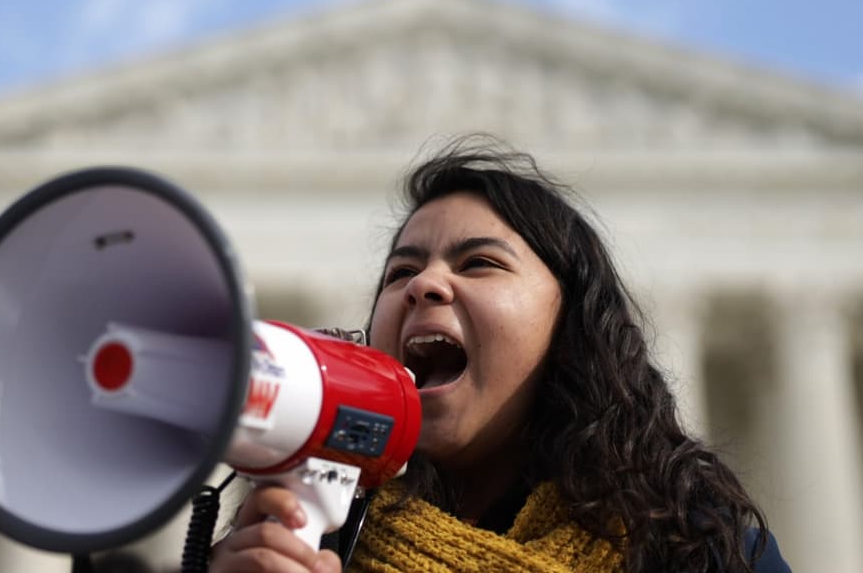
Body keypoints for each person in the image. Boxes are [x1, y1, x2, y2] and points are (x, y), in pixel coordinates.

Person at [210, 135, 789, 572]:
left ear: (572, 328)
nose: (423, 285)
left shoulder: (703, 550)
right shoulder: (302, 541)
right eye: (401, 271)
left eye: (479, 263)